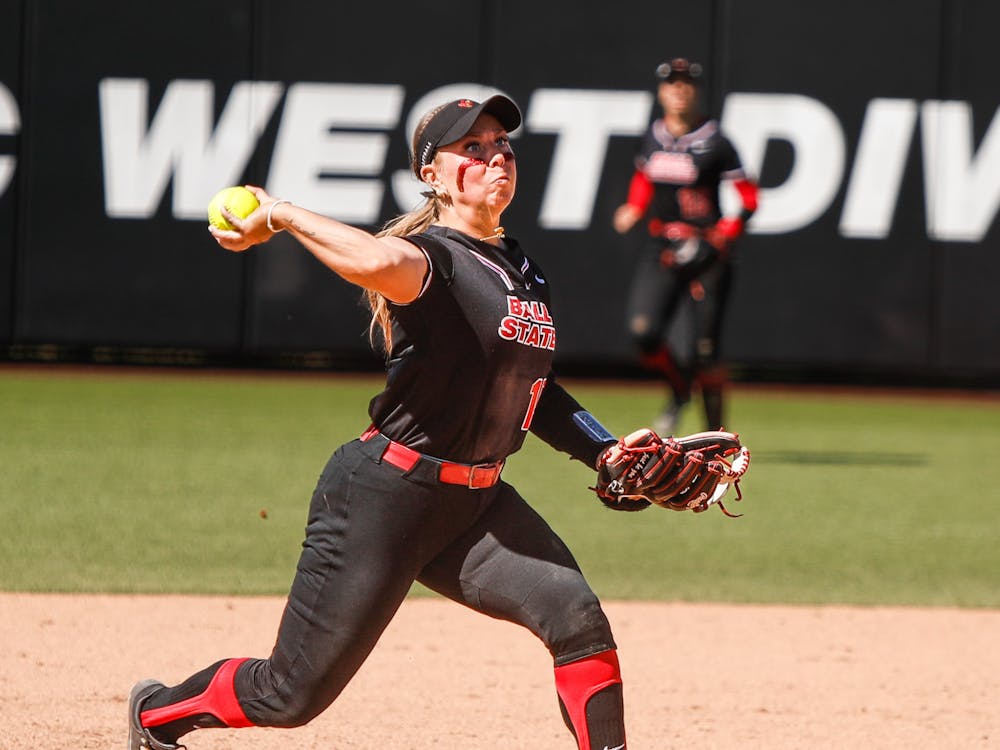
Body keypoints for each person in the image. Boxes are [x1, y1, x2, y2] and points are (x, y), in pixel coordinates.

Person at [127, 95, 635, 750]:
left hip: (476, 509)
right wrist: (279, 212)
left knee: (577, 618)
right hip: (383, 499)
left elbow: (535, 390)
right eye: (470, 147)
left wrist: (607, 450)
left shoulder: (524, 272)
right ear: (433, 173)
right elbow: (374, 261)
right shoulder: (435, 258)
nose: (494, 154)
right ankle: (154, 715)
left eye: (501, 143)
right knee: (290, 695)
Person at [613, 58, 759, 435]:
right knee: (643, 331)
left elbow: (748, 198)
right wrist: (635, 206)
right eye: (671, 84)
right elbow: (644, 177)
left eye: (685, 84)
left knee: (705, 351)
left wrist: (724, 233)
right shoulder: (654, 135)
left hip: (706, 252)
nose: (679, 90)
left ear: (695, 91)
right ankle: (680, 390)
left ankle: (716, 436)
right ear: (661, 92)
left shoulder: (716, 141)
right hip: (663, 245)